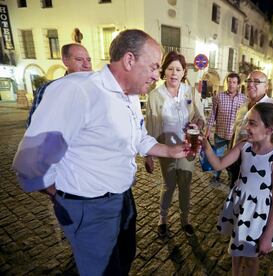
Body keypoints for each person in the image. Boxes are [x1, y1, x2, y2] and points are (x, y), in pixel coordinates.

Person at [13, 29, 190, 275]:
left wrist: (171, 151)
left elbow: (138, 137)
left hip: (123, 200)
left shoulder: (129, 96)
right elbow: (29, 161)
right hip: (91, 209)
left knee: (124, 261)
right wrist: (61, 196)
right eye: (153, 67)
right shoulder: (78, 91)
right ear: (129, 60)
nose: (156, 76)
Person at [201, 102, 273, 275]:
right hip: (239, 206)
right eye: (247, 122)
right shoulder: (244, 146)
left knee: (250, 258)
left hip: (258, 214)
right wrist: (205, 144)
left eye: (252, 124)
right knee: (236, 252)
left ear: (270, 129)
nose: (246, 127)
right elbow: (218, 164)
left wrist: (268, 234)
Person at [145, 51, 205, 237]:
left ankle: (185, 219)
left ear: (183, 72)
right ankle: (162, 218)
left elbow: (201, 117)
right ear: (164, 71)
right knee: (169, 184)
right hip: (167, 146)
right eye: (170, 68)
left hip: (188, 146)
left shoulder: (191, 92)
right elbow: (150, 125)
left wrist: (198, 124)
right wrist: (148, 154)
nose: (174, 73)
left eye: (178, 69)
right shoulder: (155, 95)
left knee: (185, 183)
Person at [229, 70, 273, 186]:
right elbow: (236, 133)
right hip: (237, 162)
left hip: (259, 166)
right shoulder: (243, 107)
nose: (251, 84)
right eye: (249, 81)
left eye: (256, 81)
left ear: (266, 87)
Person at [26, 43, 92, 127]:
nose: (87, 65)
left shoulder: (102, 88)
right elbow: (33, 126)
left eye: (89, 60)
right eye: (79, 59)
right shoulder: (48, 89)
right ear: (65, 61)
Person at [205, 72, 247, 185]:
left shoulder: (244, 99)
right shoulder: (218, 96)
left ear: (238, 84)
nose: (231, 84)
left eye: (234, 82)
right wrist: (207, 130)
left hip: (235, 135)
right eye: (229, 82)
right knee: (218, 155)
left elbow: (245, 118)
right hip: (220, 133)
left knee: (232, 158)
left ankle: (231, 177)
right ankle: (215, 176)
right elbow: (213, 114)